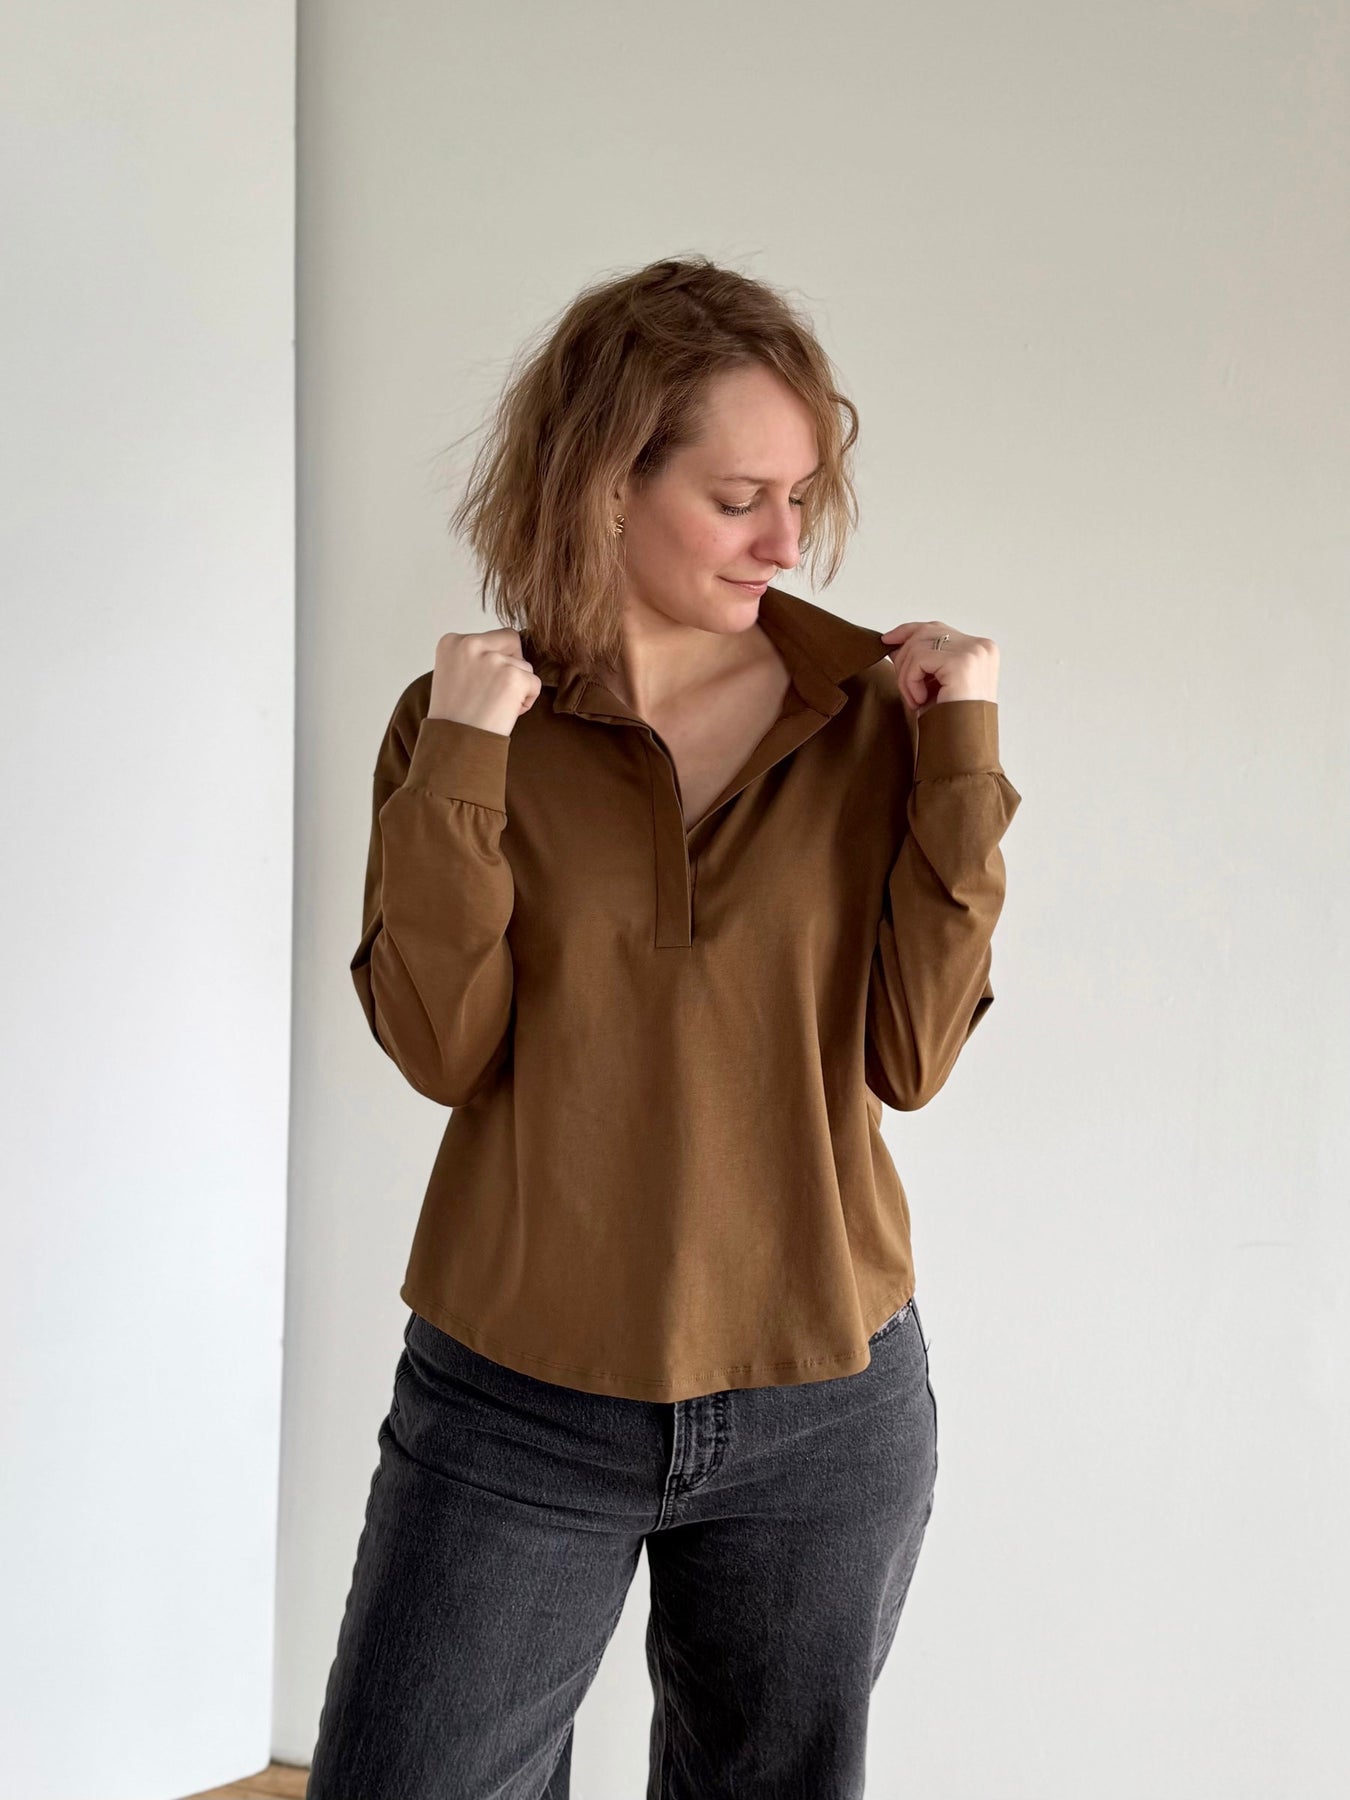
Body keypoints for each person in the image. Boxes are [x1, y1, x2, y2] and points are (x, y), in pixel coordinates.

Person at [307, 254, 1021, 1799]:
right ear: (605, 486)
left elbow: (910, 1059)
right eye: (737, 498)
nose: (785, 542)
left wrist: (960, 760)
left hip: (819, 1395)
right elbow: (439, 1048)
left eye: (801, 498)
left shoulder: (871, 721)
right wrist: (461, 762)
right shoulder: (464, 725)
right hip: (519, 1398)